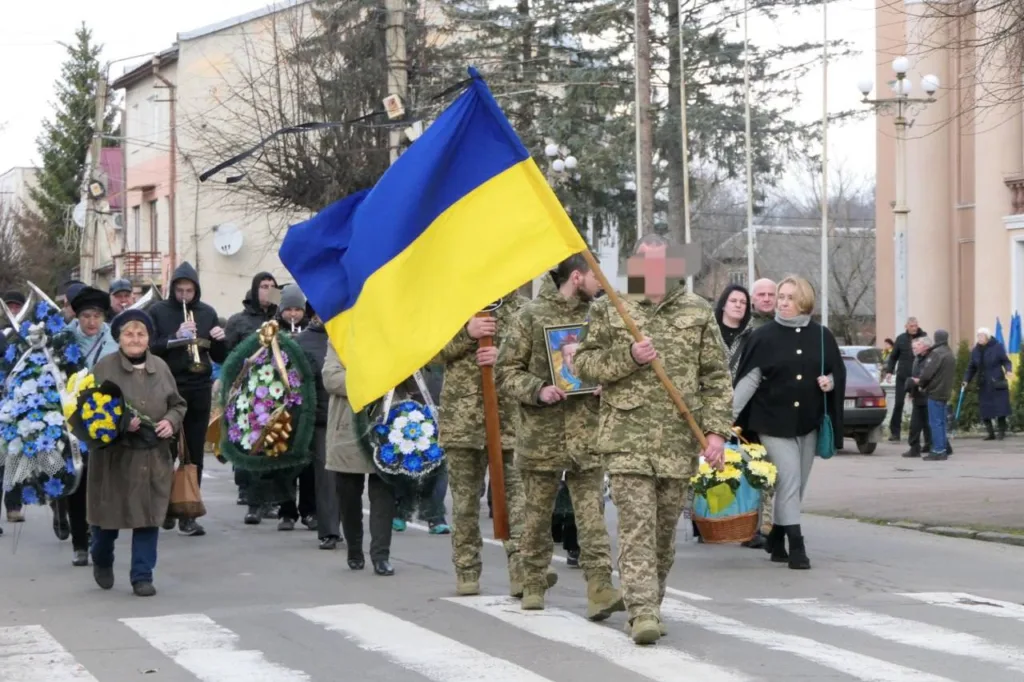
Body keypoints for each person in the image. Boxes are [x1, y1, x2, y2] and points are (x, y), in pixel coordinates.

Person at [574, 234, 733, 645]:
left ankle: (652, 601)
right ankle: (641, 612)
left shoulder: (697, 311)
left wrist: (715, 433)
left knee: (663, 531)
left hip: (679, 439)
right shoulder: (612, 308)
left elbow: (716, 377)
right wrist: (629, 357)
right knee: (636, 526)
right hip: (626, 437)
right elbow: (585, 364)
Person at [496, 253, 622, 620]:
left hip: (587, 434)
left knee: (592, 516)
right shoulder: (530, 316)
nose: (603, 284)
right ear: (578, 277)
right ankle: (533, 581)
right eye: (598, 276)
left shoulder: (597, 316)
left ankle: (600, 587)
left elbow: (610, 364)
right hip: (542, 434)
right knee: (536, 515)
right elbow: (504, 373)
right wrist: (539, 390)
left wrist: (603, 382)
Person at [733, 275, 846, 572]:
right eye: (780, 297)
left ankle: (777, 537)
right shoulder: (763, 337)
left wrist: (829, 381)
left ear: (803, 301)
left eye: (789, 297)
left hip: (807, 422)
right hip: (771, 422)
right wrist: (721, 421)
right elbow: (748, 381)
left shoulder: (822, 336)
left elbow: (837, 372)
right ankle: (797, 546)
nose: (782, 302)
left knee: (798, 486)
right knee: (789, 478)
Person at [436, 290, 541, 598]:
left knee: (516, 501)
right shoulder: (455, 304)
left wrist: (504, 355)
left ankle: (522, 571)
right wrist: (467, 334)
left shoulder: (523, 309)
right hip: (462, 420)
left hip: (509, 419)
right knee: (466, 503)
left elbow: (540, 358)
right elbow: (431, 352)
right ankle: (467, 569)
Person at [88, 309, 187, 597]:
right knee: (108, 520)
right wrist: (119, 422)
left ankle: (142, 575)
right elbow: (89, 409)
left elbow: (178, 403)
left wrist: (170, 420)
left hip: (152, 457)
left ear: (149, 338)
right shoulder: (104, 367)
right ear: (118, 337)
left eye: (140, 334)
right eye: (128, 334)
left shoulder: (161, 367)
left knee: (148, 516)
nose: (134, 339)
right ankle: (102, 559)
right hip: (115, 459)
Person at [148, 262, 227, 536]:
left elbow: (219, 357)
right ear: (172, 289)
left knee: (193, 451)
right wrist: (175, 337)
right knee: (165, 449)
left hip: (199, 387)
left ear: (196, 290)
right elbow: (150, 348)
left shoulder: (207, 313)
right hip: (168, 387)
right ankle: (166, 507)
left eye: (189, 290)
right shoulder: (159, 312)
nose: (184, 295)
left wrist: (220, 339)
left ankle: (189, 512)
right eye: (180, 290)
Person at [57, 286, 120, 566]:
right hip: (70, 422)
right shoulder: (62, 343)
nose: (91, 322)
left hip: (104, 419)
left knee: (103, 483)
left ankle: (98, 534)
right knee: (77, 481)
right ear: (77, 317)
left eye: (96, 316)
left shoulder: (114, 344)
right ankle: (79, 543)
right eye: (85, 316)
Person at [322, 345, 396, 575]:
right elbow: (331, 378)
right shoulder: (341, 337)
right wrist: (372, 379)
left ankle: (381, 555)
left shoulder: (393, 336)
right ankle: (354, 549)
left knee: (384, 496)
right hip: (348, 428)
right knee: (348, 495)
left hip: (387, 426)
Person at [295, 304, 337, 549]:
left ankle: (347, 527)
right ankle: (329, 530)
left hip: (347, 414)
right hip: (319, 418)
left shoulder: (346, 335)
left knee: (348, 479)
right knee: (326, 475)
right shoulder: (301, 341)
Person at [964, 327, 1013, 441]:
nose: (979, 338)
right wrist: (966, 380)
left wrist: (1008, 370)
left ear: (987, 337)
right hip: (983, 383)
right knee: (985, 408)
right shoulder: (976, 350)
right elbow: (971, 367)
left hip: (996, 381)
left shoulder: (997, 347)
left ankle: (1001, 432)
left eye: (981, 336)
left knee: (1000, 408)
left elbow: (1005, 361)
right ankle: (990, 433)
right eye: (978, 336)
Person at [884, 317, 927, 442]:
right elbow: (893, 357)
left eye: (916, 325)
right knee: (898, 403)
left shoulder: (923, 337)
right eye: (912, 326)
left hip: (918, 377)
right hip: (903, 376)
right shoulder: (901, 338)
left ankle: (922, 432)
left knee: (919, 405)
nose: (914, 328)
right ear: (906, 326)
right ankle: (895, 432)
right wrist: (889, 371)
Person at [916, 329, 956, 460]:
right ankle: (943, 448)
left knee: (935, 422)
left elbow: (927, 373)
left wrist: (921, 383)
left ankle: (938, 450)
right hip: (945, 391)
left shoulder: (936, 354)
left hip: (935, 391)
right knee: (942, 422)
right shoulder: (950, 353)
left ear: (936, 338)